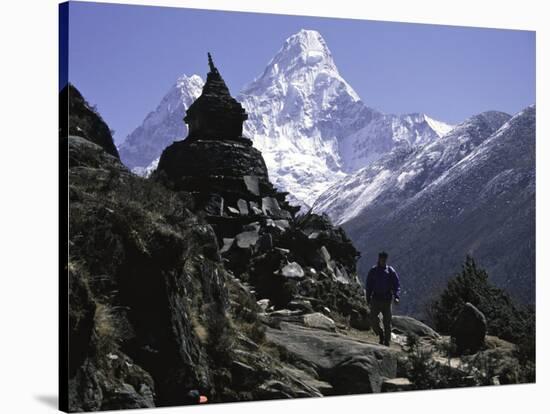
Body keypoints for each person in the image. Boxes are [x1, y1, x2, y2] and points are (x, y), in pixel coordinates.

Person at [365, 251, 400, 346]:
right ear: (379, 259)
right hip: (376, 298)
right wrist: (367, 297)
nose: (383, 261)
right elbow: (369, 285)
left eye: (384, 259)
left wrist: (396, 296)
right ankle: (380, 333)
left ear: (386, 260)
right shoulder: (373, 271)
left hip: (387, 299)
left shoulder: (390, 271)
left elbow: (396, 284)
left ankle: (387, 342)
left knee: (387, 322)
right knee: (373, 320)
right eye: (381, 259)